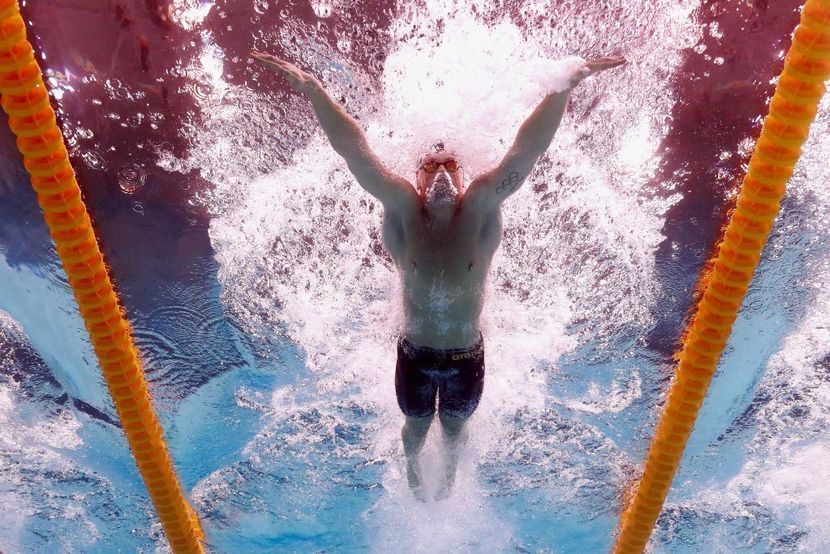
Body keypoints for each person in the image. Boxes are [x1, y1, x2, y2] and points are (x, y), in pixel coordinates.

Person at [249, 50, 625, 501]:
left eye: (450, 165)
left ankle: (446, 480)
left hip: (467, 356)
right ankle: (412, 470)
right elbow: (356, 155)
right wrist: (314, 89)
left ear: (462, 178)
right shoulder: (405, 210)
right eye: (431, 166)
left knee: (454, 427)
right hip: (415, 355)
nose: (442, 171)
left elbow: (526, 154)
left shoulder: (481, 207)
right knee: (416, 424)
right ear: (418, 179)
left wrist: (564, 86)